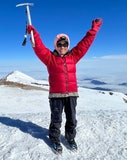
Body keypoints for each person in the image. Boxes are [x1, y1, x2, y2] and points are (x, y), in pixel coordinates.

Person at [27, 18, 102, 154]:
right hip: (56, 95)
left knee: (72, 118)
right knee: (56, 119)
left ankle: (70, 138)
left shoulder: (73, 56)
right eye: (60, 44)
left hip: (72, 94)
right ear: (56, 45)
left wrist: (94, 30)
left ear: (68, 45)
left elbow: (85, 44)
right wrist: (34, 34)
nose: (62, 47)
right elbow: (40, 48)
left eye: (65, 44)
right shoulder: (50, 58)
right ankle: (55, 140)